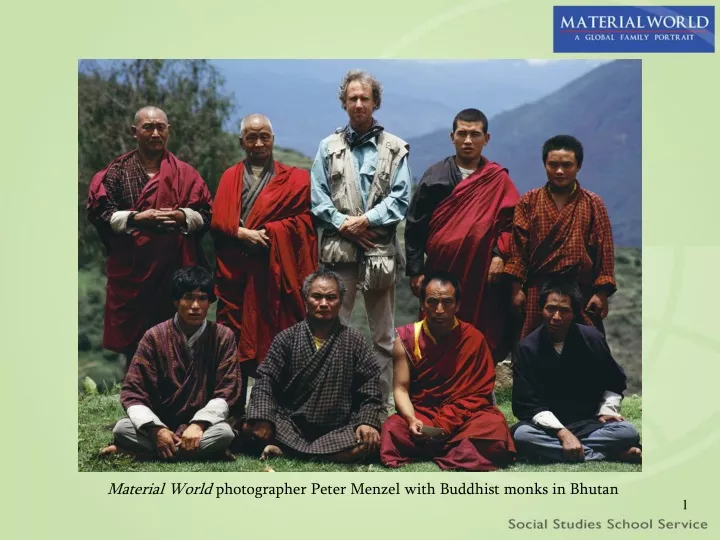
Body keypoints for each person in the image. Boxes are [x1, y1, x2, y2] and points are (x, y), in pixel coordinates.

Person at [310, 69, 411, 402]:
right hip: (339, 251)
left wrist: (364, 221)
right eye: (352, 98)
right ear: (344, 103)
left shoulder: (396, 148)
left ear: (375, 102)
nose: (358, 104)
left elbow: (401, 198)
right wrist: (344, 224)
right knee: (330, 326)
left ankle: (378, 404)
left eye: (364, 98)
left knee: (382, 333)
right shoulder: (328, 147)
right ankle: (330, 401)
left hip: (380, 250)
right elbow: (318, 197)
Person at [87, 106, 212, 368]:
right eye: (148, 127)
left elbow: (206, 213)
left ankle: (177, 390)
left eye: (161, 127)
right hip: (133, 271)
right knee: (136, 341)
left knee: (176, 335)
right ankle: (135, 392)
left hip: (174, 271)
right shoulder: (116, 173)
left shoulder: (185, 173)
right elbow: (100, 213)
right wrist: (137, 218)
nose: (155, 133)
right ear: (134, 132)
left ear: (168, 131)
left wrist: (181, 216)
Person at [404, 109, 519, 361]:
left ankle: (478, 379)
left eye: (475, 134)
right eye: (462, 134)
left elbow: (512, 224)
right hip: (441, 269)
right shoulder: (436, 177)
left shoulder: (497, 179)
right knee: (438, 320)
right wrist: (415, 271)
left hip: (482, 274)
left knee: (481, 326)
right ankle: (434, 379)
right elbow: (415, 226)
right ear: (452, 136)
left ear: (486, 138)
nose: (468, 141)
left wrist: (500, 254)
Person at [211, 114, 317, 386]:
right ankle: (232, 406)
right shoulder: (231, 177)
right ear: (241, 141)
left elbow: (306, 222)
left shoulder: (294, 179)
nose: (258, 143)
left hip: (275, 274)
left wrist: (272, 232)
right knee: (233, 340)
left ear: (273, 139)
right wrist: (242, 232)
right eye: (251, 137)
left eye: (264, 137)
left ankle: (274, 410)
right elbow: (219, 223)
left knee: (276, 338)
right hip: (238, 274)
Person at [100, 267, 243, 461]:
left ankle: (140, 453)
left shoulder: (223, 337)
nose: (195, 306)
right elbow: (133, 392)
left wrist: (198, 424)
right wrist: (157, 430)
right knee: (121, 428)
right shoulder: (153, 336)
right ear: (176, 301)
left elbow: (227, 390)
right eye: (188, 298)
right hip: (160, 423)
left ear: (210, 302)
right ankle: (197, 452)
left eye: (202, 298)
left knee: (224, 433)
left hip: (203, 427)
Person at [243, 270, 385, 463]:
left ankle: (289, 452)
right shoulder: (287, 338)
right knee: (249, 427)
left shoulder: (354, 340)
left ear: (341, 301)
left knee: (370, 440)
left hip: (338, 427)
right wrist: (264, 418)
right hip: (290, 424)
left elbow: (371, 390)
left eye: (331, 297)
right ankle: (320, 455)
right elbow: (265, 381)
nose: (324, 304)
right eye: (317, 297)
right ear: (306, 299)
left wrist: (367, 422)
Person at [380, 271, 516, 471]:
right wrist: (411, 420)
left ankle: (435, 446)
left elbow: (478, 394)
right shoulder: (407, 339)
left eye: (447, 302)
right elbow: (400, 389)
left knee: (493, 428)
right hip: (424, 412)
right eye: (432, 302)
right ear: (422, 304)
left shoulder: (473, 338)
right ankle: (458, 450)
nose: (439, 309)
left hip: (465, 416)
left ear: (458, 305)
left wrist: (446, 423)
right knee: (393, 429)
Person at [511, 279, 641, 463]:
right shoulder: (527, 347)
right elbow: (526, 403)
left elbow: (614, 380)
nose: (556, 316)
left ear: (574, 314)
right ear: (542, 310)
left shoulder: (592, 339)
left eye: (564, 310)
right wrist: (562, 433)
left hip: (588, 423)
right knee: (522, 435)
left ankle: (565, 451)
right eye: (551, 308)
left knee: (627, 432)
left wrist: (607, 411)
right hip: (546, 428)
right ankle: (610, 455)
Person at [504, 134, 616, 339]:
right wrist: (516, 290)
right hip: (538, 291)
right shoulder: (529, 201)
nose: (559, 171)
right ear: (544, 164)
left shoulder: (593, 203)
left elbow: (605, 252)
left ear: (578, 166)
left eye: (567, 165)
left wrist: (601, 293)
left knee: (586, 350)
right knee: (532, 350)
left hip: (579, 291)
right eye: (553, 164)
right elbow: (517, 250)